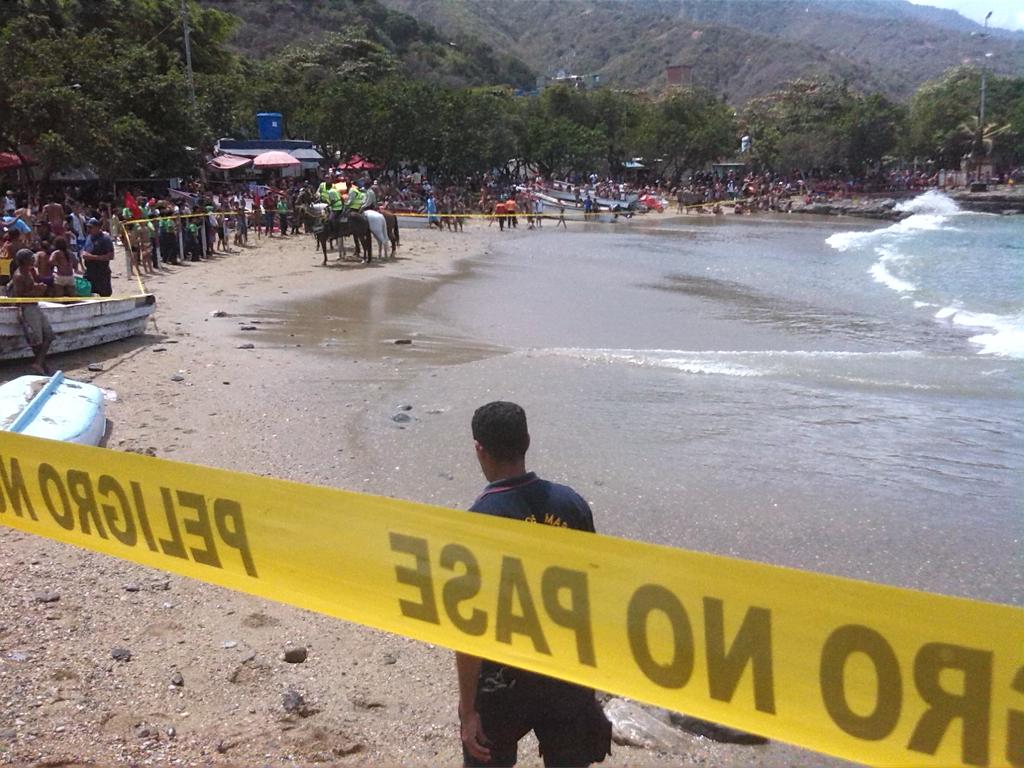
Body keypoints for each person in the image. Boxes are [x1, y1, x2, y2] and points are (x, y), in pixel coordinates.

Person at [457, 402, 612, 768]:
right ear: (527, 440)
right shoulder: (572, 505)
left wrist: (467, 710)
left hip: (504, 678)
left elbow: (468, 624)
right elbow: (593, 596)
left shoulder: (480, 520)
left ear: (479, 449)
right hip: (565, 675)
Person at [7, 249, 54, 374]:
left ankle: (39, 363)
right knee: (37, 340)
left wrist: (37, 288)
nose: (33, 259)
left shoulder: (28, 272)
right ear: (24, 260)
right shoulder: (19, 276)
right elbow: (19, 296)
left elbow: (30, 288)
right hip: (27, 309)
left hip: (34, 305)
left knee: (49, 335)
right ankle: (41, 365)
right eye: (31, 258)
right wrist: (36, 291)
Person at [80, 217, 115, 296]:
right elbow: (84, 249)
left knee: (104, 295)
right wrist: (83, 253)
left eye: (91, 227)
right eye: (87, 227)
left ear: (97, 227)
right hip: (89, 272)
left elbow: (111, 256)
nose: (88, 229)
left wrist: (93, 257)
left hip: (101, 272)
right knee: (86, 293)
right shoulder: (89, 237)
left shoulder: (105, 239)